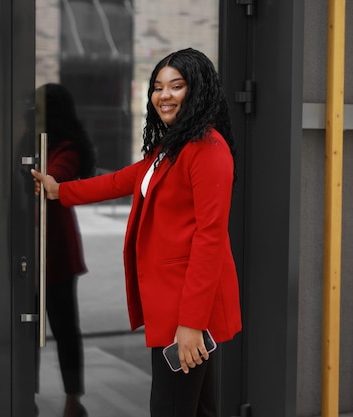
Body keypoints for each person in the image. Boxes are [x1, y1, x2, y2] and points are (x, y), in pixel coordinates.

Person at [31, 48, 242, 417]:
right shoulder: (172, 147)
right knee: (199, 408)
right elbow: (121, 180)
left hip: (185, 310)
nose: (164, 95)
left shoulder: (208, 149)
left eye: (176, 86)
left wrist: (192, 324)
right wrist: (60, 191)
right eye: (157, 87)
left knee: (170, 407)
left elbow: (211, 238)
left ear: (199, 90)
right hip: (171, 304)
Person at [36, 83, 96, 417]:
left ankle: (73, 398)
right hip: (31, 251)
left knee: (63, 329)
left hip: (56, 252)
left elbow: (57, 179)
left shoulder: (67, 148)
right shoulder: (36, 142)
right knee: (26, 328)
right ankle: (24, 389)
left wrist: (45, 181)